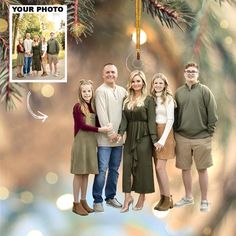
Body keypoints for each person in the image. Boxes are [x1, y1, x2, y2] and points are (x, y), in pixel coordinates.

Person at [174, 62, 218, 212]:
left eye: (194, 71)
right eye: (188, 71)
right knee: (185, 168)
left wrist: (209, 134)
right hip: (182, 137)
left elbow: (213, 115)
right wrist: (176, 132)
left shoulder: (205, 91)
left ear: (197, 74)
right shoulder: (179, 93)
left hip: (202, 138)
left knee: (202, 169)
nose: (191, 73)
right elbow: (174, 114)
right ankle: (188, 197)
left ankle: (204, 200)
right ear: (184, 73)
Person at [117, 70, 158, 213]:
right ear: (130, 83)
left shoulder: (149, 100)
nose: (136, 84)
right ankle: (127, 197)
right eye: (133, 81)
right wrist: (120, 133)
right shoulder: (126, 100)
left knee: (143, 167)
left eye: (138, 81)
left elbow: (152, 121)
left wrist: (154, 140)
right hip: (130, 137)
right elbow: (123, 120)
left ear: (143, 83)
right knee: (127, 165)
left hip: (144, 137)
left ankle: (142, 195)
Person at [71, 79, 112, 216]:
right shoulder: (78, 107)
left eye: (89, 91)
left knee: (86, 173)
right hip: (81, 143)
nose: (87, 93)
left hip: (90, 144)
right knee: (79, 173)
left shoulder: (93, 107)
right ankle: (76, 203)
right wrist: (101, 130)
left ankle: (83, 201)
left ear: (92, 92)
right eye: (84, 91)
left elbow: (99, 122)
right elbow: (82, 125)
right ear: (80, 93)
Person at [92, 63, 127, 212]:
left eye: (113, 72)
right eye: (107, 72)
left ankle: (110, 197)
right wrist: (111, 134)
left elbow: (126, 113)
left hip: (119, 139)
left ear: (117, 74)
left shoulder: (123, 91)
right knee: (102, 169)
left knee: (114, 170)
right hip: (104, 140)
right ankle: (97, 200)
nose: (110, 74)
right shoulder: (100, 91)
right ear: (103, 74)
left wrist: (120, 134)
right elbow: (101, 113)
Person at [150, 73, 176, 211]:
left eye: (160, 83)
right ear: (152, 85)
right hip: (155, 134)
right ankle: (163, 198)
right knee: (157, 169)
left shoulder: (169, 99)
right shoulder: (152, 99)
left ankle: (168, 198)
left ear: (165, 84)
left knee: (161, 168)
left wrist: (162, 140)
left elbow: (170, 120)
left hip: (165, 134)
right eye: (156, 83)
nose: (158, 85)